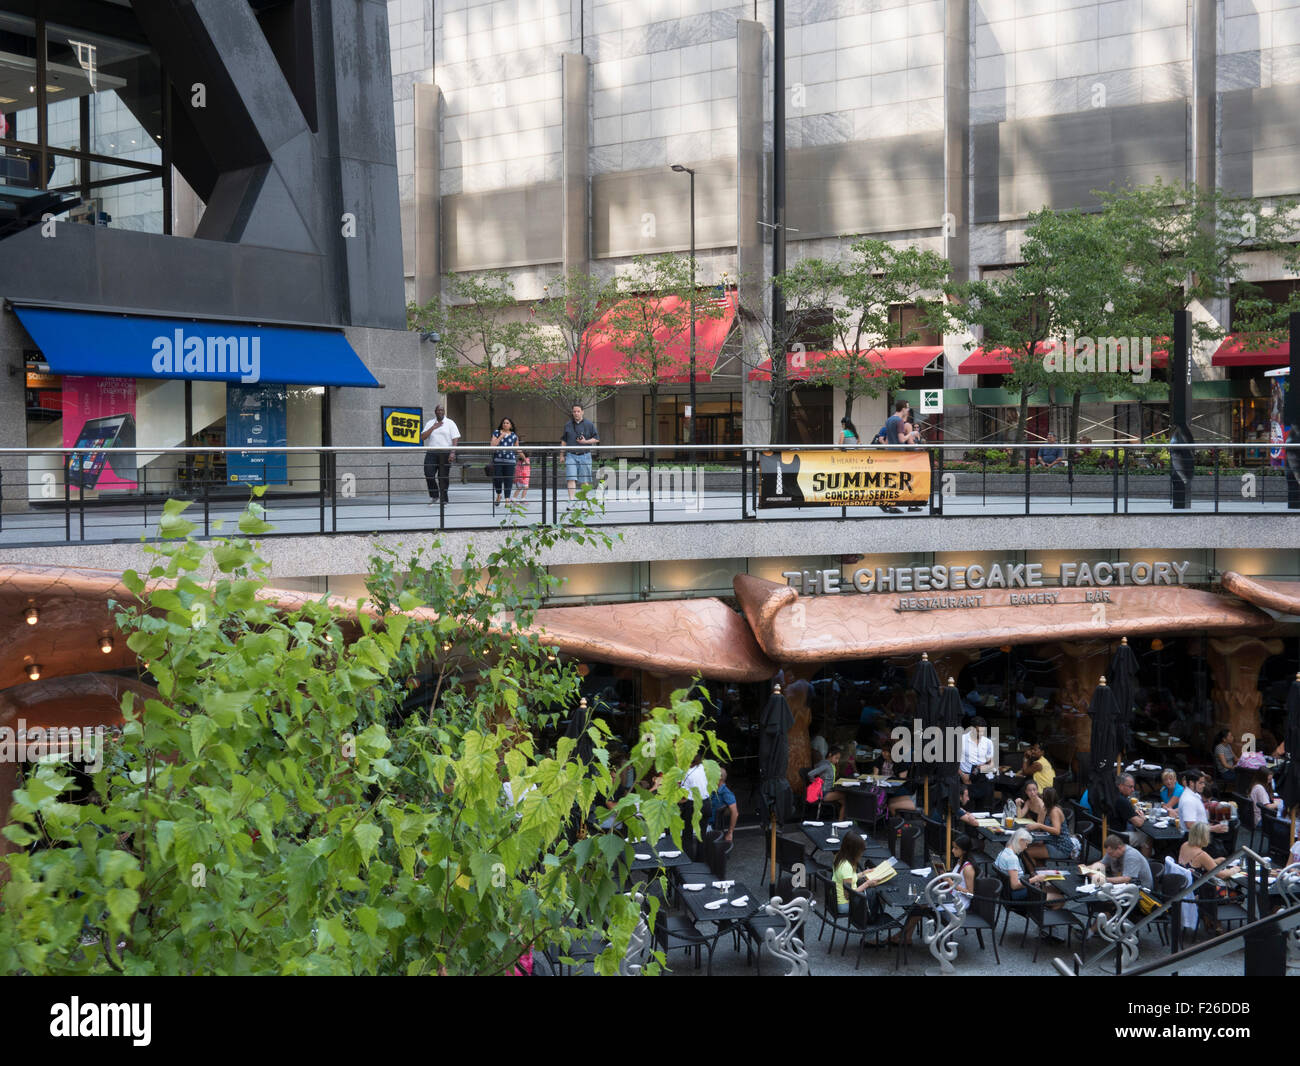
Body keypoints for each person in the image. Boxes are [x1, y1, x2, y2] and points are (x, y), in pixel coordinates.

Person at [833, 830, 892, 913]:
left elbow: (848, 878)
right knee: (877, 895)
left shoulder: (839, 857)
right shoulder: (846, 867)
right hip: (845, 904)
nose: (861, 854)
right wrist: (867, 884)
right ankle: (876, 919)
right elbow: (848, 894)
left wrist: (863, 873)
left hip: (838, 899)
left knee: (874, 891)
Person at [1025, 787, 1079, 866]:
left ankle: (1034, 874)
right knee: (1025, 848)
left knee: (1027, 853)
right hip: (1052, 842)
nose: (1041, 797)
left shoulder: (1054, 811)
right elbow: (1039, 822)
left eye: (1043, 796)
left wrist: (1040, 825)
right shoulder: (1048, 808)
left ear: (1046, 799)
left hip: (1060, 847)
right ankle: (1041, 872)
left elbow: (1057, 831)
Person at [420, 404, 460, 505]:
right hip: (432, 453)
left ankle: (444, 499)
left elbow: (455, 438)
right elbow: (423, 437)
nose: (440, 412)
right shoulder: (430, 423)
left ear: (444, 412)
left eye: (442, 410)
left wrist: (452, 452)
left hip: (445, 453)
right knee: (429, 474)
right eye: (438, 410)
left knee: (443, 477)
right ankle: (434, 495)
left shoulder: (450, 423)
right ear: (435, 412)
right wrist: (433, 428)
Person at [1176, 770, 1230, 842]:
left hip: (1201, 834)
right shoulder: (1188, 800)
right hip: (1195, 839)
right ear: (1191, 783)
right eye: (1200, 783)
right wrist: (1213, 828)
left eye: (1203, 782)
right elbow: (1189, 825)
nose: (1203, 785)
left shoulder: (1195, 794)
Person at [560, 403, 599, 501]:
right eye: (574, 412)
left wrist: (585, 442)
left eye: (578, 411)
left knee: (584, 480)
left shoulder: (589, 424)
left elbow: (596, 439)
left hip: (585, 455)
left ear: (582, 412)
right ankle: (571, 500)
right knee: (571, 478)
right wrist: (561, 455)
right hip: (571, 455)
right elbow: (564, 440)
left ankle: (584, 501)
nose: (576, 413)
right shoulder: (568, 425)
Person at [878, 400, 910, 513]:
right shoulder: (900, 421)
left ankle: (884, 501)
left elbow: (886, 440)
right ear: (903, 409)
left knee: (889, 478)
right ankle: (892, 506)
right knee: (897, 479)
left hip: (889, 452)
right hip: (898, 453)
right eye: (907, 408)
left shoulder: (889, 420)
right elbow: (902, 439)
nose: (908, 410)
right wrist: (911, 434)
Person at [960, 717, 996, 809]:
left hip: (981, 778)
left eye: (982, 732)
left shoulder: (988, 742)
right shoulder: (961, 739)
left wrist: (982, 767)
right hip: (965, 777)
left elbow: (991, 763)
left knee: (982, 810)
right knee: (967, 809)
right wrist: (962, 775)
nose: (980, 734)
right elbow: (952, 761)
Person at [809, 745, 848, 821]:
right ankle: (840, 821)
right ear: (830, 755)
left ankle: (841, 819)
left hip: (825, 791)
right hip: (823, 794)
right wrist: (814, 783)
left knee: (844, 801)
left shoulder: (823, 763)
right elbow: (810, 774)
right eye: (836, 758)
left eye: (838, 759)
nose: (837, 761)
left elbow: (816, 767)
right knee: (846, 797)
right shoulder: (826, 765)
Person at [489, 416, 521, 507]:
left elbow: (517, 448)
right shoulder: (497, 432)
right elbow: (492, 445)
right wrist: (501, 437)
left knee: (508, 480)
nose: (505, 424)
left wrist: (525, 459)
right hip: (498, 460)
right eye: (504, 423)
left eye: (507, 423)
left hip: (510, 461)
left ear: (511, 425)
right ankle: (499, 494)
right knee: (497, 478)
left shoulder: (514, 435)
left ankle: (507, 499)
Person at [995, 828, 1035, 900]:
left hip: (1005, 891)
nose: (1026, 847)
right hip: (1015, 894)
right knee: (1054, 896)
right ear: (1021, 840)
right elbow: (1014, 885)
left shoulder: (1003, 852)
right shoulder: (1012, 858)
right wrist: (1033, 880)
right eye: (1026, 844)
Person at [710, 767, 739, 843]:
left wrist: (730, 833)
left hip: (710, 826)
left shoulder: (726, 793)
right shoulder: (712, 789)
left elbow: (735, 813)